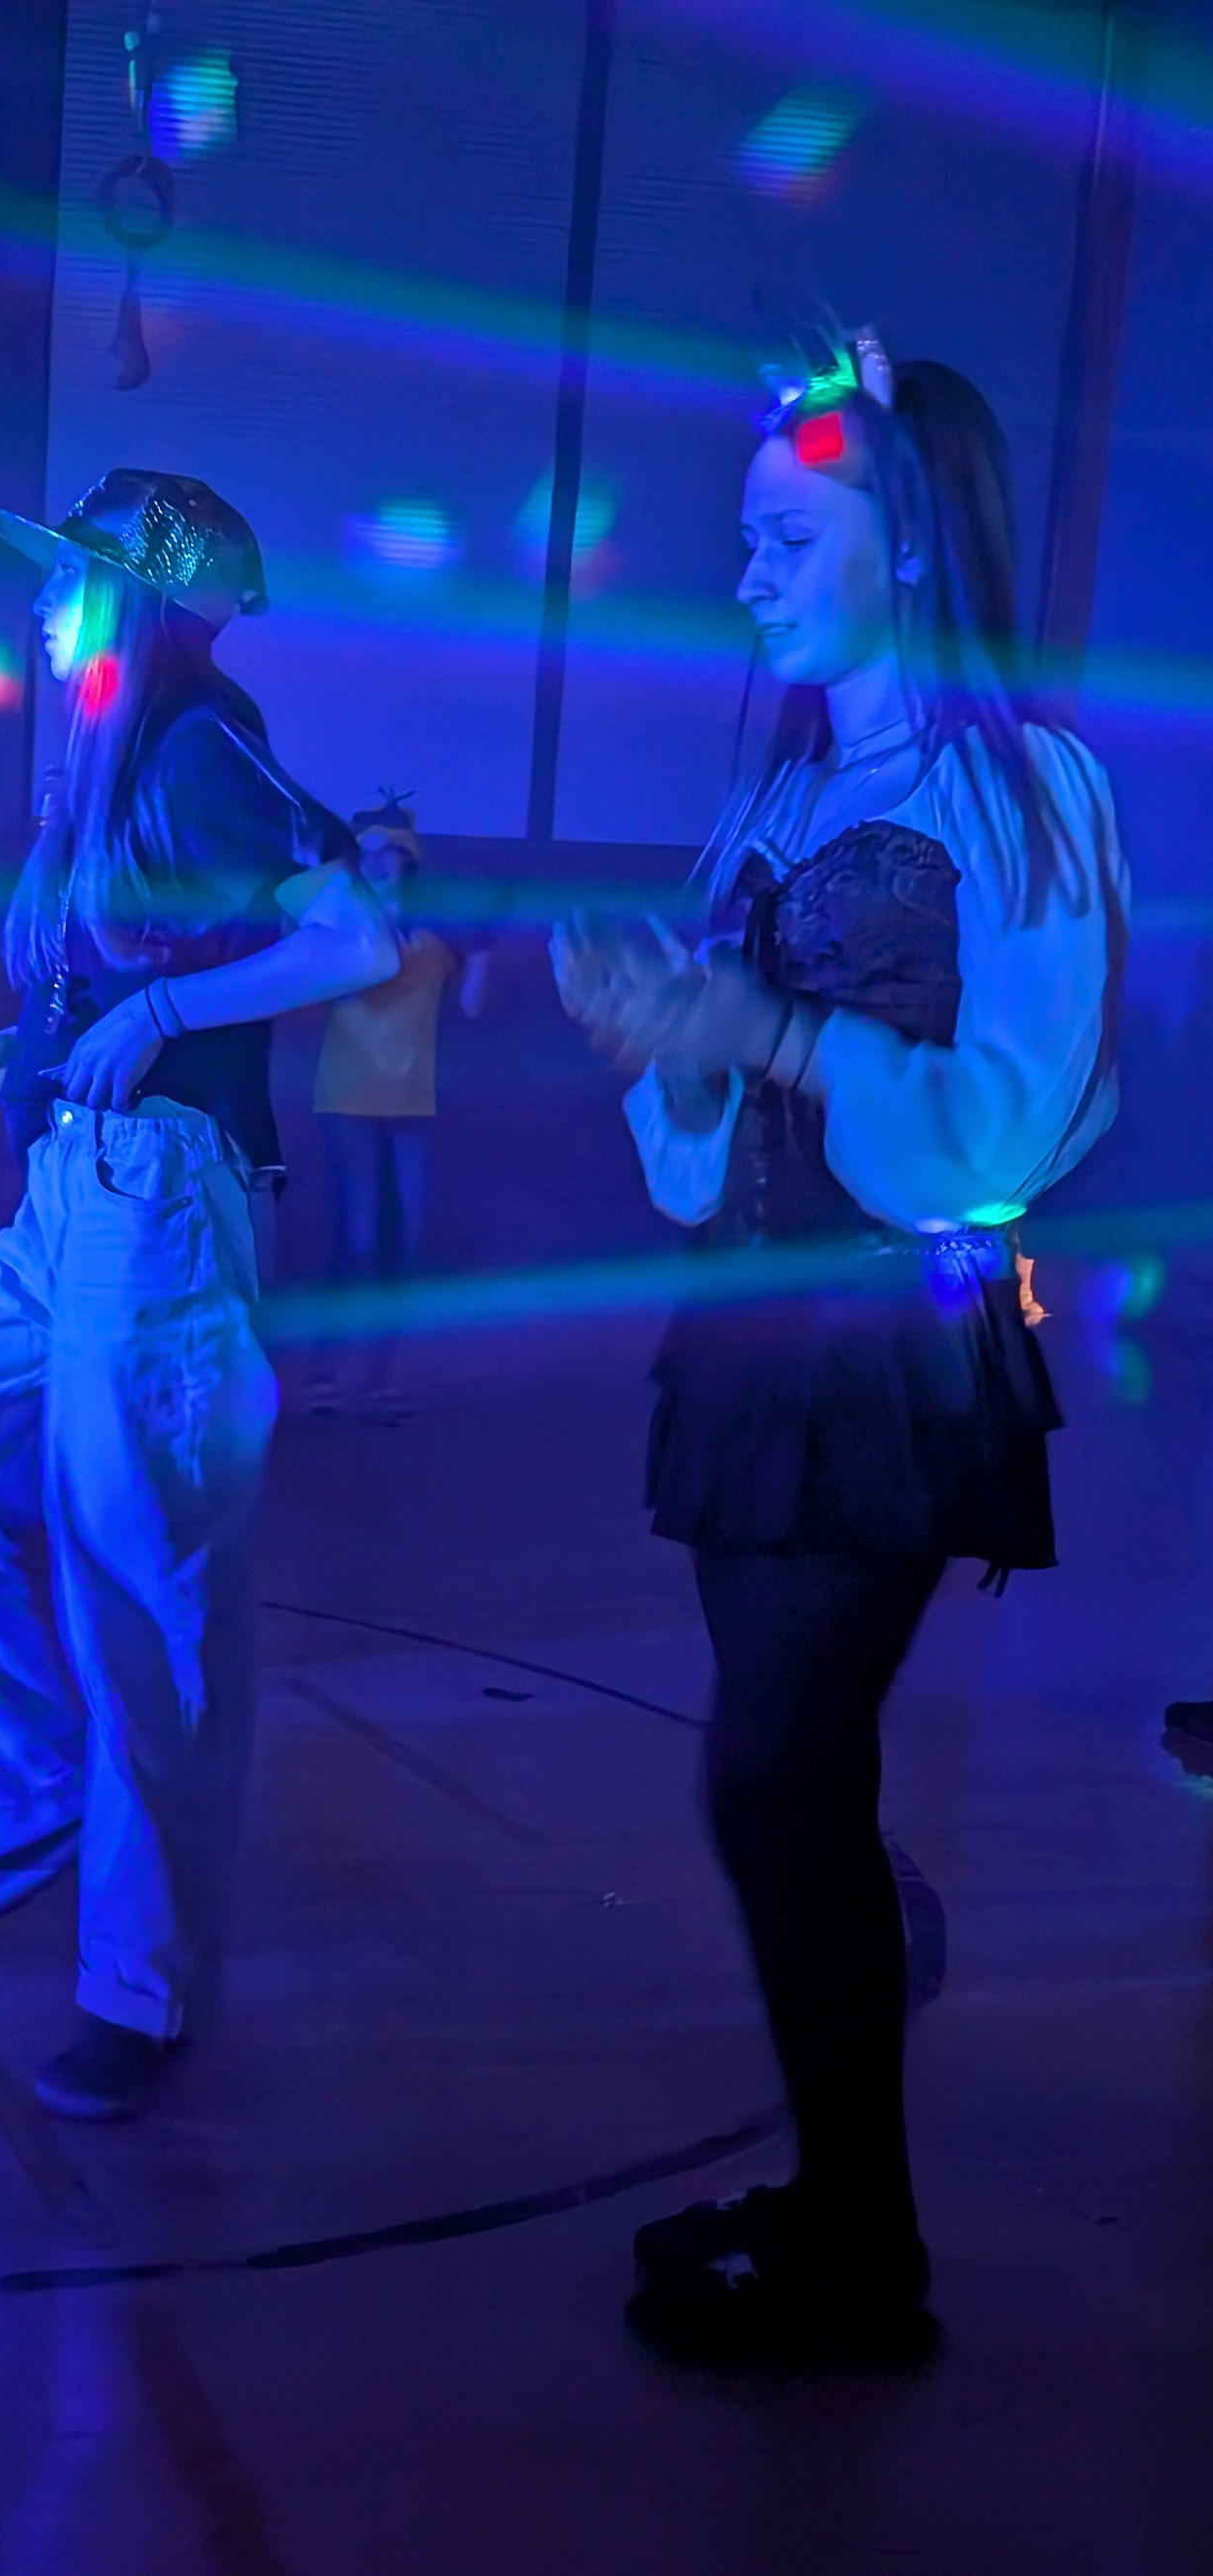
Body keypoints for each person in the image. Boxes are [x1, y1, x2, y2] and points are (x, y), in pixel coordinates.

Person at [553, 334, 1125, 2373]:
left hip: (889, 1357)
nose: (746, 577)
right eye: (746, 540)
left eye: (788, 539)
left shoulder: (1023, 791)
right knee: (786, 1788)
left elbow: (1008, 1130)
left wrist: (774, 1033)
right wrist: (662, 1045)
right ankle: (842, 2212)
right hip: (749, 1347)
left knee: (774, 1777)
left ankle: (863, 2254)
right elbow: (693, 1164)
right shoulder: (776, 797)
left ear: (914, 546)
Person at [0, 471, 400, 2116]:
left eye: (67, 576)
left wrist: (154, 1023)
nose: (39, 603)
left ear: (137, 597)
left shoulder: (197, 742)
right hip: (75, 1187)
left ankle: (135, 1991)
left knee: (141, 1594)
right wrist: (13, 1051)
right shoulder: (110, 756)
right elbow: (126, 972)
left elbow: (358, 938)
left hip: (161, 1202)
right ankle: (30, 1795)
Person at [308, 795, 486, 1417]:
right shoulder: (341, 915)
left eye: (395, 850)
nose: (384, 861)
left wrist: (480, 950)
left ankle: (386, 1380)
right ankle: (330, 1375)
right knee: (359, 1237)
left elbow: (472, 1007)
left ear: (411, 857)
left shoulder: (438, 925)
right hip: (350, 1091)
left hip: (415, 1097)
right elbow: (320, 979)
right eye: (373, 851)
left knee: (406, 1242)